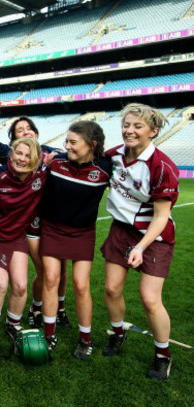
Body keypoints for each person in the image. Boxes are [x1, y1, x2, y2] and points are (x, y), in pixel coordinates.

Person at [101, 103, 179, 380]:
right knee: (111, 289)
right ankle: (118, 334)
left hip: (154, 235)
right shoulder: (114, 155)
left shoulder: (162, 166)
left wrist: (141, 246)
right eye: (126, 125)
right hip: (120, 229)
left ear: (153, 132)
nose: (129, 131)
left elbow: (161, 217)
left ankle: (162, 355)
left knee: (149, 299)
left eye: (137, 126)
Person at [0, 102, 71, 329]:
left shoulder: (52, 155)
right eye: (19, 130)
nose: (26, 132)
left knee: (59, 270)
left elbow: (75, 163)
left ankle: (55, 307)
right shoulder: (9, 159)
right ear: (13, 143)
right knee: (42, 271)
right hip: (26, 225)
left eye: (29, 128)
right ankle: (33, 309)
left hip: (51, 221)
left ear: (36, 131)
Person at [40, 121, 111, 359]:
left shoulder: (104, 169)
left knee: (81, 285)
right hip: (52, 227)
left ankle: (85, 338)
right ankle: (49, 334)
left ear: (92, 145)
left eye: (73, 142)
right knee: (50, 278)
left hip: (82, 232)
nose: (67, 146)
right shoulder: (56, 162)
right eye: (66, 142)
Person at [0, 138, 47, 352]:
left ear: (36, 160)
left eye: (28, 156)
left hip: (17, 237)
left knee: (20, 286)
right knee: (0, 284)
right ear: (11, 154)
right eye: (19, 153)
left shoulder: (41, 177)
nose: (22, 159)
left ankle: (13, 324)